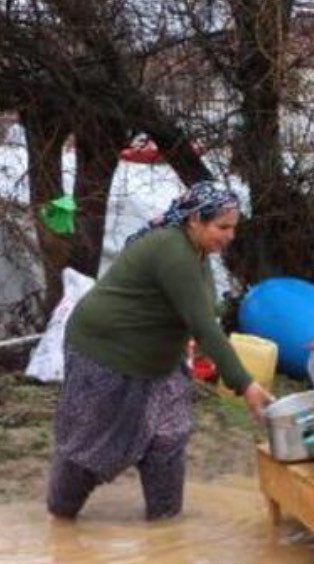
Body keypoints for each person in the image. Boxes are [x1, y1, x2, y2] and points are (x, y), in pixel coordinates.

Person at [47, 182, 274, 521]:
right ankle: (60, 518)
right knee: (92, 446)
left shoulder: (198, 252)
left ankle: (165, 525)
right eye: (222, 227)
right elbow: (204, 325)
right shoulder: (172, 250)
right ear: (195, 220)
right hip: (106, 352)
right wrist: (245, 384)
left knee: (169, 437)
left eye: (233, 228)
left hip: (159, 361)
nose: (229, 236)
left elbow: (201, 314)